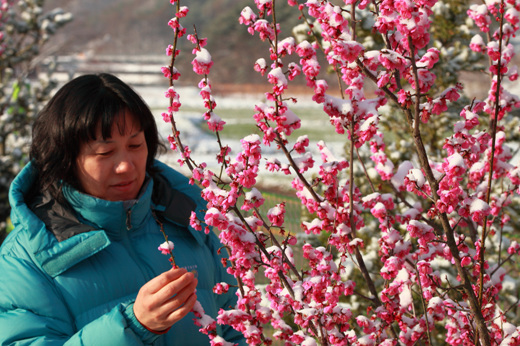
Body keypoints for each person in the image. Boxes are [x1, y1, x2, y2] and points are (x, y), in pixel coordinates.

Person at [0, 73, 245, 345]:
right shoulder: (26, 257)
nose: (126, 165)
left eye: (135, 145)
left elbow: (236, 327)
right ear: (65, 159)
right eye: (104, 153)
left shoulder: (191, 221)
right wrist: (133, 326)